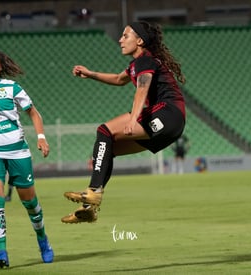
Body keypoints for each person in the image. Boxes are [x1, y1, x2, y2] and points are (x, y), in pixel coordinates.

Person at [61, 21, 186, 223]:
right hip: (172, 125)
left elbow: (142, 90)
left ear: (139, 40)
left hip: (166, 113)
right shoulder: (139, 63)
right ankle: (89, 207)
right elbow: (119, 79)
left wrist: (134, 118)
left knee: (104, 131)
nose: (120, 40)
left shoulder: (144, 61)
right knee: (110, 148)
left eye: (125, 35)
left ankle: (93, 192)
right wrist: (91, 74)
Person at [0, 48, 54, 268]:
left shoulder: (12, 88)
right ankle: (1, 251)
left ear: (0, 67)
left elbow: (33, 112)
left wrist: (41, 137)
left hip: (18, 152)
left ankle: (42, 238)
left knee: (30, 203)